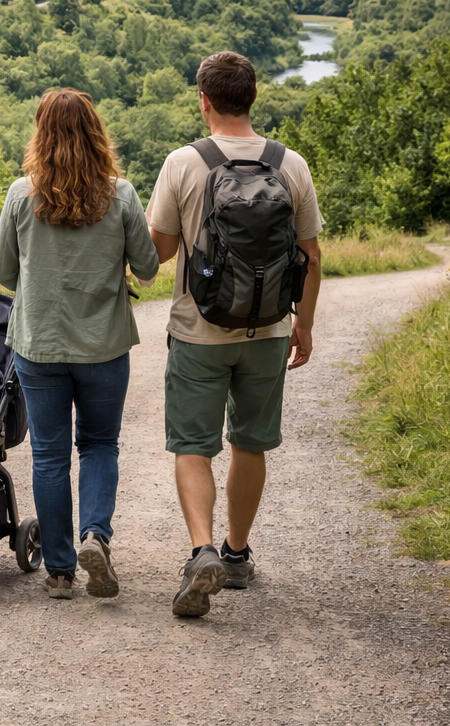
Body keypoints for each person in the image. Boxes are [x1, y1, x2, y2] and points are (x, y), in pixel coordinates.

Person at [146, 50, 323, 617]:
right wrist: (304, 322)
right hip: (268, 328)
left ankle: (201, 551)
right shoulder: (289, 163)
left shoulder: (184, 163)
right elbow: (311, 255)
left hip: (198, 331)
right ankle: (238, 553)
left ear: (204, 100)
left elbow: (161, 250)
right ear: (252, 98)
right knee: (250, 441)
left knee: (193, 446)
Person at [0, 88, 159, 601]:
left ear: (40, 135)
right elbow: (149, 269)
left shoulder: (22, 194)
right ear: (96, 132)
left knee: (48, 456)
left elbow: (2, 272)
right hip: (104, 345)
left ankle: (61, 571)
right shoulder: (121, 195)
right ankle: (95, 537)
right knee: (100, 444)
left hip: (39, 345)